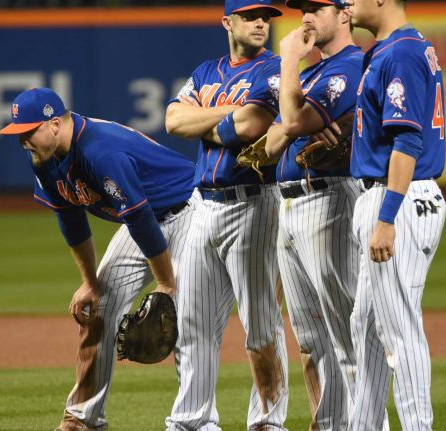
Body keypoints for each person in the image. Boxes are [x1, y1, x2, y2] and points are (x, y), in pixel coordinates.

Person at [0, 87, 197, 431]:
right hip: (146, 219)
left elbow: (140, 219)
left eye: (27, 132)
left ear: (54, 125)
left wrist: (167, 284)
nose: (23, 141)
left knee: (187, 316)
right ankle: (83, 418)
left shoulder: (101, 151)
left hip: (191, 211)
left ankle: (190, 422)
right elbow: (71, 219)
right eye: (18, 135)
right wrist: (90, 283)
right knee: (100, 305)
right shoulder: (43, 158)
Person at [164, 1, 290, 429]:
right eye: (251, 16)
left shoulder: (274, 70)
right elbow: (172, 120)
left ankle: (267, 421)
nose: (261, 23)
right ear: (227, 22)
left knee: (261, 325)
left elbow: (252, 124)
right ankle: (193, 421)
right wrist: (224, 117)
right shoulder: (206, 71)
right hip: (203, 206)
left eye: (266, 17)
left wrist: (207, 120)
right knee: (192, 321)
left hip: (255, 202)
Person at [262, 0, 368, 429]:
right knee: (311, 341)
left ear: (345, 14)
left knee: (348, 333)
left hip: (330, 203)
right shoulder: (310, 75)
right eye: (302, 7)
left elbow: (288, 123)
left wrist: (287, 59)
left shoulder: (351, 66)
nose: (305, 16)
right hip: (288, 205)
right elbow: (270, 144)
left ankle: (367, 424)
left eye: (318, 7)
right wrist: (294, 119)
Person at [346, 0, 446, 429]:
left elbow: (407, 141)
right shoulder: (395, 48)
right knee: (366, 327)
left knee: (399, 332)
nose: (346, 1)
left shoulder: (402, 52)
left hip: (399, 199)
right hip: (397, 196)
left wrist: (386, 218)